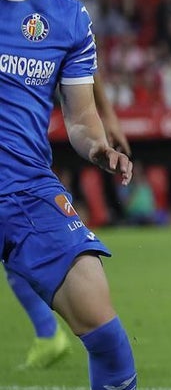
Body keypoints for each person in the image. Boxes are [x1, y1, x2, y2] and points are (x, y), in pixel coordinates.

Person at [0, 0, 160, 390]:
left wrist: (101, 150)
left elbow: (81, 119)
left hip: (27, 193)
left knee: (104, 323)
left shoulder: (67, 19)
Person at [10, 73, 129, 369]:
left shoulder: (62, 30)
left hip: (24, 154)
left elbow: (85, 64)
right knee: (16, 241)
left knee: (18, 238)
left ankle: (48, 333)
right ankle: (47, 332)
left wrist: (107, 116)